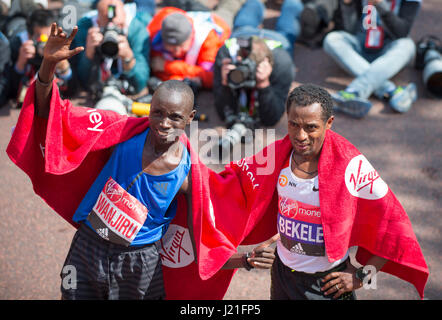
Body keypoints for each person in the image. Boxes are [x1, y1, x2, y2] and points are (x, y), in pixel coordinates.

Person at [11, 22, 276, 300]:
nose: (163, 123)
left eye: (175, 117)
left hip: (139, 265)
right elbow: (50, 115)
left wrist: (244, 261)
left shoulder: (187, 174)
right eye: (158, 112)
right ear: (148, 109)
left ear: (191, 118)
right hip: (88, 247)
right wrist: (47, 67)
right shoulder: (121, 132)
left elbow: (201, 248)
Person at [184, 83, 428, 299]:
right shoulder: (277, 156)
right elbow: (229, 183)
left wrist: (363, 277)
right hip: (282, 276)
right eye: (293, 124)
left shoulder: (351, 165)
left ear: (328, 123)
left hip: (328, 284)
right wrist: (187, 180)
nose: (300, 136)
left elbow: (394, 228)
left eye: (311, 127)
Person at [322, 0, 422, 117]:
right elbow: (349, 29)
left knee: (407, 45)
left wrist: (380, 5)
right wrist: (347, 5)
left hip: (388, 52)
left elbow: (402, 32)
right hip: (360, 47)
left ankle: (355, 91)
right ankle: (390, 90)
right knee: (332, 39)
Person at [71, 0, 150, 95]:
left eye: (119, 26)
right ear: (97, 21)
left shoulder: (137, 29)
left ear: (125, 16)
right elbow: (82, 81)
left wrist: (128, 59)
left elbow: (141, 84)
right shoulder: (85, 28)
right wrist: (88, 55)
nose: (112, 33)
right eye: (106, 28)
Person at [147, 5, 232, 90]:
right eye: (171, 47)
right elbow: (156, 68)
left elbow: (212, 77)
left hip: (224, 23)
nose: (177, 52)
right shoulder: (156, 31)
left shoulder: (208, 40)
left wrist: (168, 66)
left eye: (181, 45)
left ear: (191, 36)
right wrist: (180, 78)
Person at [8, 9, 74, 107]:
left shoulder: (64, 41)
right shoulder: (18, 44)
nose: (46, 44)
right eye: (41, 39)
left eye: (50, 37)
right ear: (29, 35)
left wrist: (62, 63)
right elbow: (10, 89)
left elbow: (73, 89)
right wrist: (21, 62)